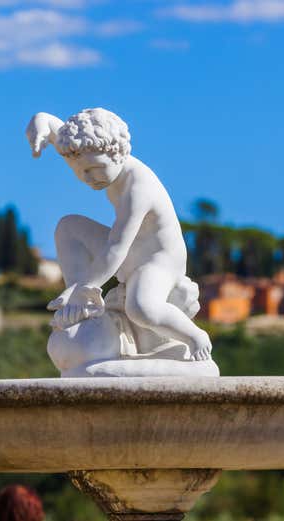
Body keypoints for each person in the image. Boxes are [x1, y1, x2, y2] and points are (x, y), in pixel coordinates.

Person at [26, 108, 212, 361]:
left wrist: (88, 286)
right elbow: (56, 131)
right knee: (68, 227)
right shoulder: (89, 153)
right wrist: (40, 122)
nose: (87, 177)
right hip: (130, 249)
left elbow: (116, 247)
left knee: (142, 308)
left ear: (118, 153)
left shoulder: (139, 186)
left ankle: (195, 336)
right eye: (79, 170)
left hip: (158, 260)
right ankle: (81, 307)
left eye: (95, 168)